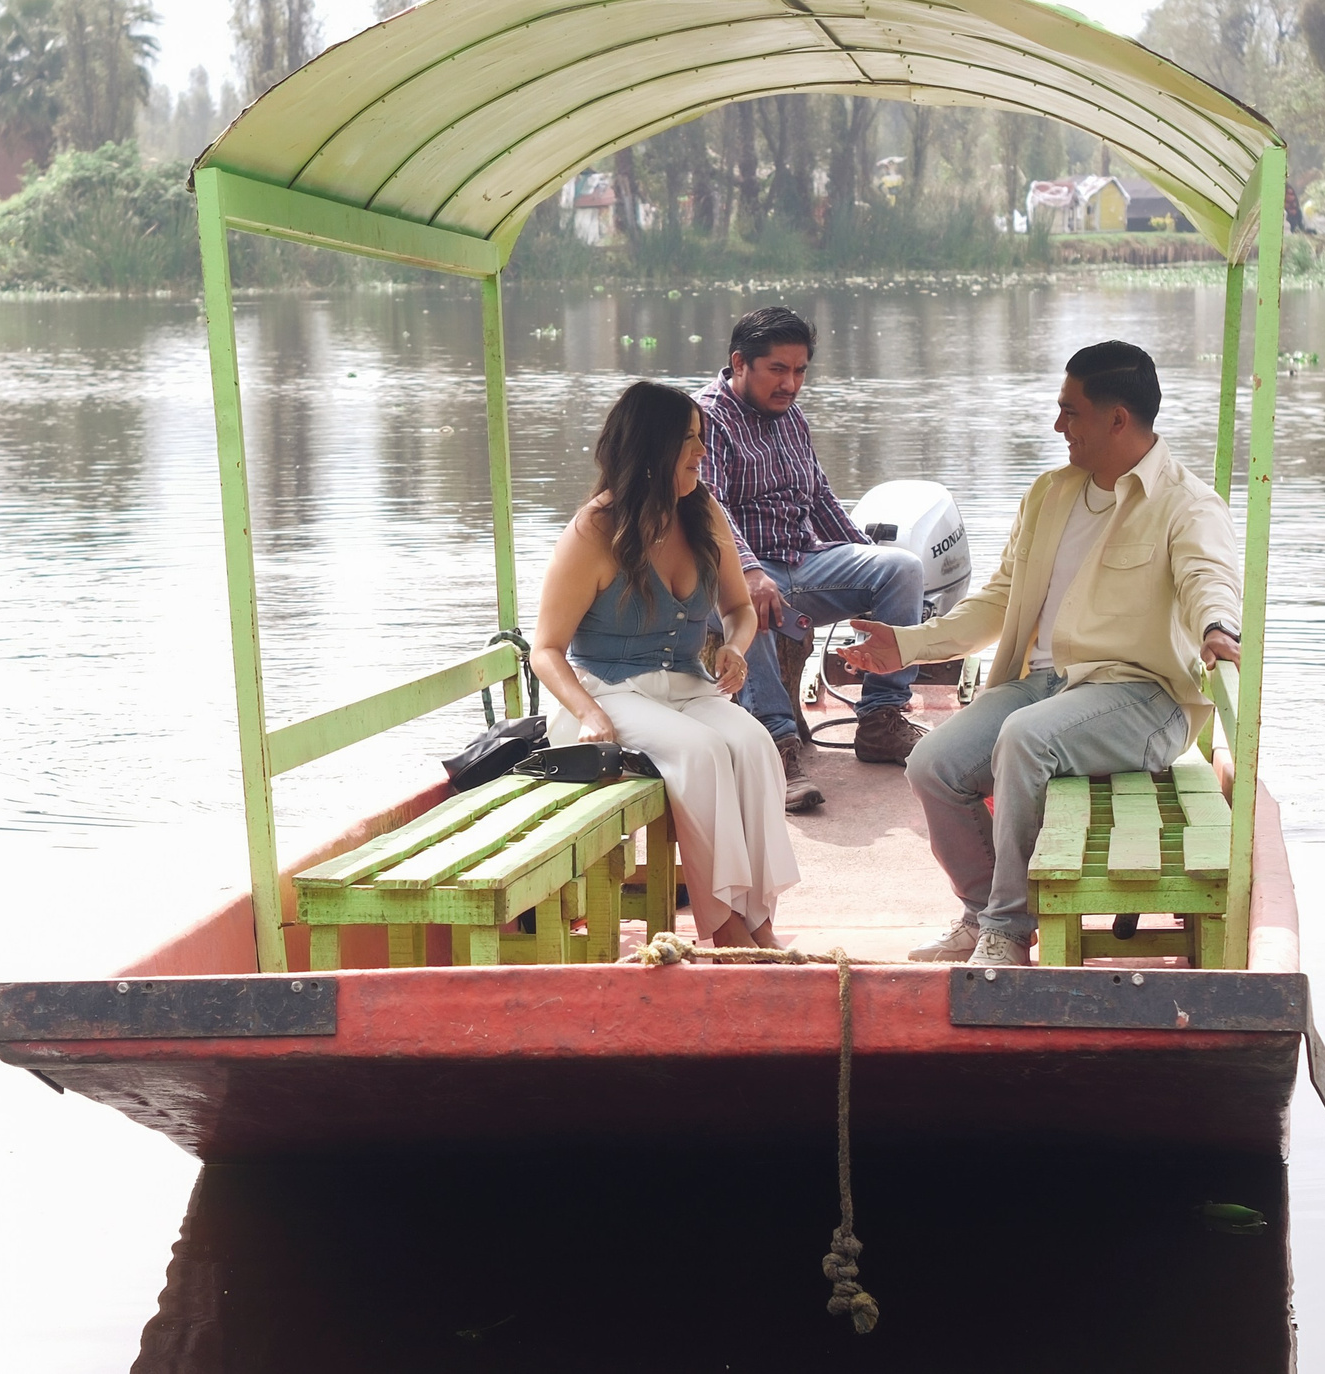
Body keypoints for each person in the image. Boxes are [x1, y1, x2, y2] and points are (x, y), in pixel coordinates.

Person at [833, 341, 1243, 969]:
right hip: (1047, 685)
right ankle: (981, 913)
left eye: (1070, 412)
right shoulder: (1050, 494)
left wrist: (1218, 627)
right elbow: (998, 603)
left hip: (1143, 696)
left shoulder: (1186, 505)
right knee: (931, 764)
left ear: (1117, 419)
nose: (1058, 427)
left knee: (1024, 739)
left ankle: (1007, 931)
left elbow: (1207, 577)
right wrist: (907, 645)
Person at [530, 380, 797, 949]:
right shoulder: (593, 531)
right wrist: (588, 713)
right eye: (690, 442)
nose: (703, 453)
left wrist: (734, 648)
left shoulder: (702, 511)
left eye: (702, 439)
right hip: (607, 693)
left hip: (687, 687)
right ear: (652, 449)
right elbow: (546, 649)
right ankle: (724, 929)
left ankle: (759, 923)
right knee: (702, 754)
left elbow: (739, 610)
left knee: (754, 747)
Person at [694, 306, 928, 814]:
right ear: (740, 364)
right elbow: (705, 507)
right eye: (778, 370)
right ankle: (776, 747)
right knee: (745, 604)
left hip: (802, 564)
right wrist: (749, 572)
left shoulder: (790, 416)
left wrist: (865, 559)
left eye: (800, 371)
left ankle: (881, 720)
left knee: (902, 569)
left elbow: (819, 498)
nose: (791, 384)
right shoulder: (705, 418)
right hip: (727, 573)